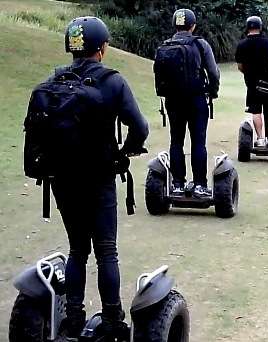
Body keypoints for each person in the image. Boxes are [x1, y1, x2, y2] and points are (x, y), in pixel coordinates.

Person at [47, 16, 149, 340]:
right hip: (100, 177)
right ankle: (112, 319)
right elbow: (141, 128)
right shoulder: (112, 81)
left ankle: (73, 319)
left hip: (62, 179)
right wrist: (126, 152)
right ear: (102, 48)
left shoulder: (55, 80)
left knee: (77, 249)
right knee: (106, 249)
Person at [159, 9, 220, 196]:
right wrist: (213, 91)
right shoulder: (200, 44)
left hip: (173, 100)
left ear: (174, 25)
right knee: (198, 142)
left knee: (176, 140)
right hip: (196, 99)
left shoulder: (165, 45)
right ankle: (200, 185)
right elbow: (213, 73)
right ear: (193, 25)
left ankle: (177, 185)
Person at [235, 16, 268, 147]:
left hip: (252, 85)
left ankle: (261, 139)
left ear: (247, 27)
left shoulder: (242, 44)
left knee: (256, 111)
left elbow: (240, 66)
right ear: (260, 27)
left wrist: (249, 74)